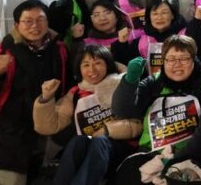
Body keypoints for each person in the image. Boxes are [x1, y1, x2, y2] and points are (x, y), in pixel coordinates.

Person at [112, 35, 201, 184]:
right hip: (149, 153)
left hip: (191, 157)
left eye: (184, 59)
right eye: (170, 59)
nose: (177, 64)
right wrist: (130, 81)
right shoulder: (154, 82)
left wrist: (174, 159)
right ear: (163, 61)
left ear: (193, 59)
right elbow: (122, 112)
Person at [0, 0, 70, 184]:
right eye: (28, 21)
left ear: (47, 22)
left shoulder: (60, 50)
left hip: (47, 134)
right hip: (7, 135)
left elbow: (66, 88)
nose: (35, 26)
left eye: (40, 19)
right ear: (17, 25)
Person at [33, 45, 140, 185]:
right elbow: (48, 127)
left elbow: (138, 124)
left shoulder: (124, 84)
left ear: (108, 64)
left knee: (99, 141)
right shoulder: (75, 93)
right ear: (79, 69)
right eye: (86, 65)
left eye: (97, 63)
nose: (92, 70)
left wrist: (107, 130)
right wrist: (46, 98)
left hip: (120, 148)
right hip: (90, 150)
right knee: (77, 141)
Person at [136, 0, 187, 76]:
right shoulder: (142, 41)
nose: (159, 17)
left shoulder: (186, 35)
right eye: (155, 13)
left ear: (173, 15)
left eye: (164, 13)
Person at [84, 0, 136, 65]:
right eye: (96, 15)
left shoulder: (132, 35)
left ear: (116, 16)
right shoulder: (86, 44)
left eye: (107, 13)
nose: (102, 18)